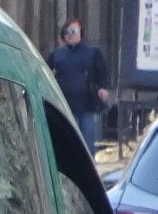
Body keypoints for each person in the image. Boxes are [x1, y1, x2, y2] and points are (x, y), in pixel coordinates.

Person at [46, 17, 110, 156]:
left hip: (87, 104)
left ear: (81, 32)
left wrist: (102, 88)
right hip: (66, 104)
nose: (70, 34)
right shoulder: (57, 54)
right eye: (67, 31)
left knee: (87, 141)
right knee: (69, 141)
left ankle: (89, 172)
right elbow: (46, 71)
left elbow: (102, 73)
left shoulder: (92, 52)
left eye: (74, 31)